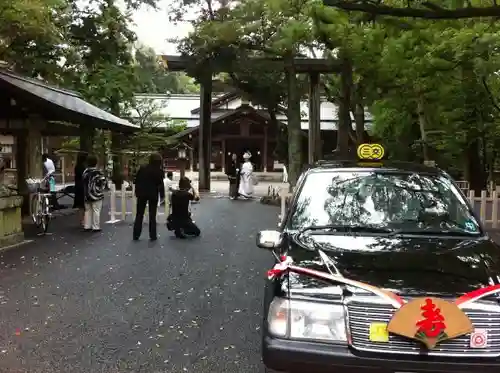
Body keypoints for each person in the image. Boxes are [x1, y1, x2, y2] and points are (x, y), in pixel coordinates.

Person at [133, 153, 165, 241]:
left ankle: (136, 234)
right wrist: (162, 195)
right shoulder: (159, 171)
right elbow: (160, 184)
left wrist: (137, 191)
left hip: (142, 193)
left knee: (139, 214)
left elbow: (136, 180)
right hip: (153, 194)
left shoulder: (142, 169)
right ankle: (153, 235)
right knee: (152, 215)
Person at [82, 154, 106, 232]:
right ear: (96, 162)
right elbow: (103, 184)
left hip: (87, 194)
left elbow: (83, 182)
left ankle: (87, 226)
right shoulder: (98, 172)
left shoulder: (85, 172)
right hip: (96, 195)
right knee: (96, 210)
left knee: (88, 210)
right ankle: (96, 226)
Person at [73, 152, 87, 227]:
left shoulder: (77, 166)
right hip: (83, 187)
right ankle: (84, 220)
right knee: (84, 204)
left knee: (80, 205)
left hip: (78, 186)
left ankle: (81, 220)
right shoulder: (83, 167)